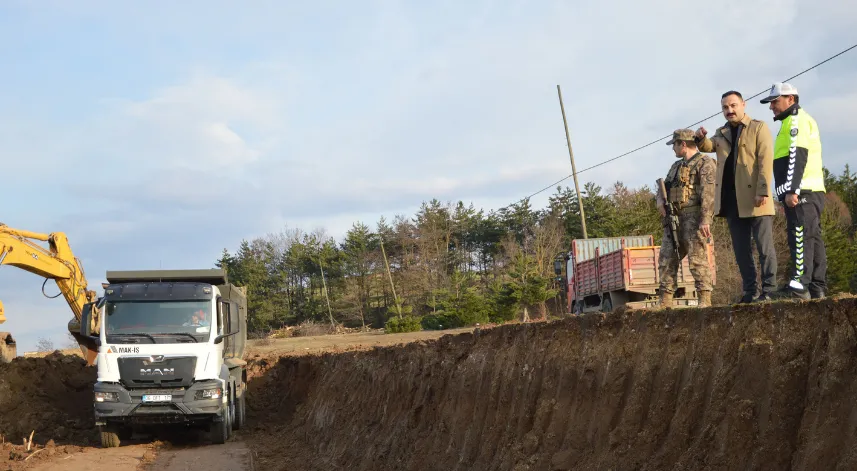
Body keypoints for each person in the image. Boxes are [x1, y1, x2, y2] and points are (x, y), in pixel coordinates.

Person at [695, 91, 777, 303]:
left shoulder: (759, 127)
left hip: (756, 197)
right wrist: (700, 138)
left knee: (764, 247)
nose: (729, 110)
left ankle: (769, 290)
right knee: (741, 251)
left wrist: (762, 191)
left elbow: (765, 162)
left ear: (743, 105)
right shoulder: (721, 132)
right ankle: (750, 292)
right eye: (725, 107)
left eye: (733, 105)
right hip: (731, 201)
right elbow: (708, 146)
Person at [761, 82, 827, 300]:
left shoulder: (796, 121)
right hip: (810, 189)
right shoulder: (795, 120)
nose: (771, 106)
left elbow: (797, 157)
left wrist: (791, 190)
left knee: (800, 236)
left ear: (791, 99)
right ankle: (816, 286)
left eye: (775, 101)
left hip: (802, 191)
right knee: (812, 236)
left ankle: (799, 286)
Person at [656, 129, 717, 308]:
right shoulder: (676, 166)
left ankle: (705, 299)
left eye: (674, 144)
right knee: (666, 258)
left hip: (694, 216)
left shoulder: (704, 163)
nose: (673, 149)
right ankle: (665, 301)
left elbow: (709, 193)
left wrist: (706, 219)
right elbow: (663, 188)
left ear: (683, 144)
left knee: (697, 259)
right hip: (674, 218)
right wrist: (660, 201)